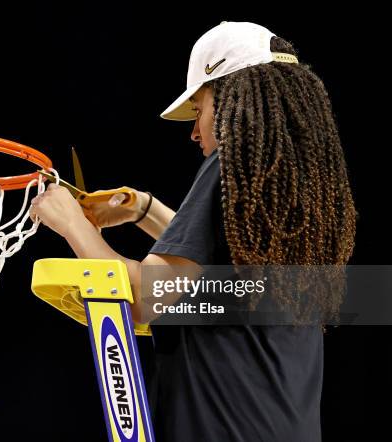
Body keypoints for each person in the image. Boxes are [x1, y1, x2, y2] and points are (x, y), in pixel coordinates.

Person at [30, 21, 356, 442]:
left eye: (198, 109)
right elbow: (221, 286)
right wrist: (144, 210)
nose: (193, 130)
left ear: (232, 100)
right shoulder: (294, 192)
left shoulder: (228, 167)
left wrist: (69, 221)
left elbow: (144, 299)